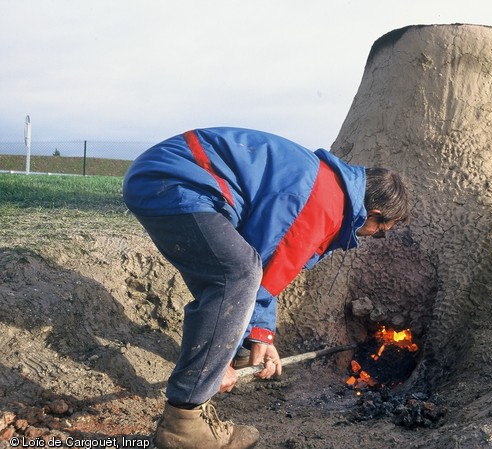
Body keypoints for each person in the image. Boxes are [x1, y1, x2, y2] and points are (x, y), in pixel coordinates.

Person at [122, 126, 409, 449]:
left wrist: (261, 334)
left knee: (237, 272)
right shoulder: (324, 204)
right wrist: (224, 359)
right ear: (374, 214)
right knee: (236, 275)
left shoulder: (328, 191)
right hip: (176, 181)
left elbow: (264, 261)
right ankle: (184, 421)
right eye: (381, 231)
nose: (374, 238)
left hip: (172, 179)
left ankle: (226, 358)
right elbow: (256, 270)